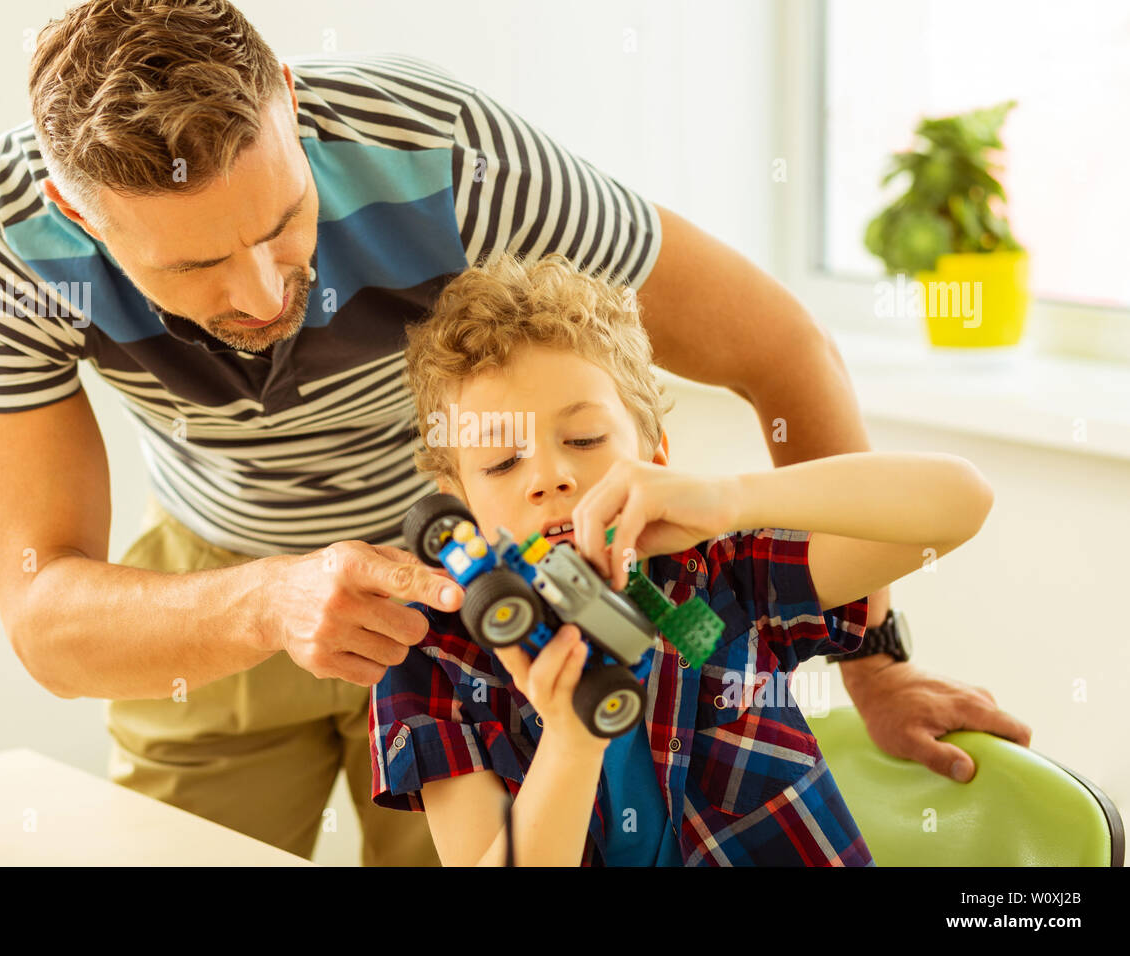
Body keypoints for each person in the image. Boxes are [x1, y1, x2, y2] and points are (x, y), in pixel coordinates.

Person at [0, 0, 1029, 865]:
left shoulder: (457, 159)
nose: (266, 291)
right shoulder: (7, 247)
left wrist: (869, 658)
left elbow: (779, 352)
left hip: (469, 596)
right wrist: (272, 597)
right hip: (224, 578)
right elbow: (44, 612)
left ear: (288, 99)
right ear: (78, 213)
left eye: (281, 223)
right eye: (192, 268)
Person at [370, 252, 998, 865]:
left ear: (654, 454)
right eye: (503, 462)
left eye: (584, 439)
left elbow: (960, 502)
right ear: (461, 506)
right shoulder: (436, 659)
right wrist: (571, 739)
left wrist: (732, 498)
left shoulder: (711, 585)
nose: (550, 476)